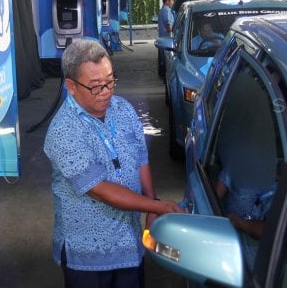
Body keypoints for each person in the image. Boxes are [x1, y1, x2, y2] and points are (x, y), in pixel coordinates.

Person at [44, 39, 183, 288]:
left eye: (110, 81)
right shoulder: (63, 130)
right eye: (96, 86)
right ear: (71, 86)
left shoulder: (124, 110)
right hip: (87, 255)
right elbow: (100, 190)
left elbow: (141, 159)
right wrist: (157, 206)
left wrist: (152, 206)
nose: (106, 91)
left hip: (128, 245)